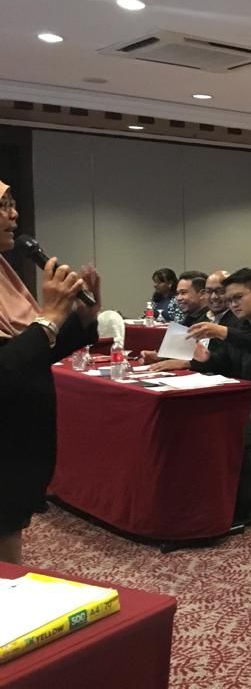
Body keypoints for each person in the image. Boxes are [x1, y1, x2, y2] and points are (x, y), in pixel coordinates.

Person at [157, 268, 251, 525]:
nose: (233, 305)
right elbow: (226, 364)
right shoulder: (239, 325)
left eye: (238, 298)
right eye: (230, 300)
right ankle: (202, 500)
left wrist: (223, 332)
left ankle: (240, 512)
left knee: (234, 432)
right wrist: (206, 359)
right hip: (249, 403)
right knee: (203, 423)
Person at [0, 181, 101, 562]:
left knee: (9, 535)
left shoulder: (5, 277)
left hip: (17, 442)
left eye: (13, 204)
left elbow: (34, 352)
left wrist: (79, 318)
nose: (14, 214)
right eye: (3, 205)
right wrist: (50, 316)